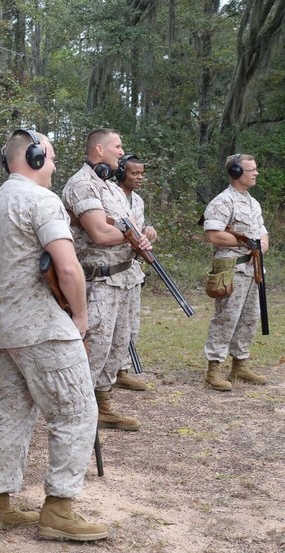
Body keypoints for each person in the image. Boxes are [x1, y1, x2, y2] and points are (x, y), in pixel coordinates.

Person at [0, 129, 106, 541]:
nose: (53, 166)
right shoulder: (41, 200)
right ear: (33, 158)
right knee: (76, 413)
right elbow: (68, 268)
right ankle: (59, 510)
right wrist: (80, 319)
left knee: (12, 415)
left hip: (5, 327)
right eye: (49, 158)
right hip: (43, 328)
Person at [61, 129, 151, 431]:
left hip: (125, 277)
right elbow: (100, 233)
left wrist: (134, 235)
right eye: (118, 146)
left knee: (117, 345)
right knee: (94, 347)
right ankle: (77, 409)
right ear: (99, 149)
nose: (121, 150)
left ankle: (102, 404)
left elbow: (131, 226)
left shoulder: (110, 187)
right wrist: (131, 235)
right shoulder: (83, 184)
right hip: (99, 281)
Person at [201, 154, 270, 391]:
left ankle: (240, 364)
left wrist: (261, 243)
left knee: (250, 317)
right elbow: (213, 234)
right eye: (251, 169)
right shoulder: (222, 202)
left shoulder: (253, 202)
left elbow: (262, 231)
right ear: (237, 173)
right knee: (227, 317)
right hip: (232, 268)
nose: (256, 173)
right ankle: (214, 368)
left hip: (253, 268)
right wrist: (246, 243)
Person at [112, 155, 156, 391]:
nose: (140, 178)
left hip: (132, 269)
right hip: (111, 269)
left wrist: (148, 232)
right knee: (111, 326)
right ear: (121, 173)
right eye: (134, 173)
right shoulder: (110, 195)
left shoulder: (137, 201)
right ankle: (107, 373)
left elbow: (139, 229)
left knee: (131, 323)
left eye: (142, 173)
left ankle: (122, 369)